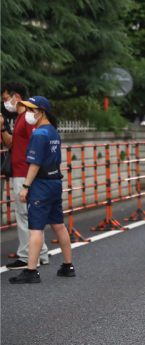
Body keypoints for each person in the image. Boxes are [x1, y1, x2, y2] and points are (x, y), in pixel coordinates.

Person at [9, 96, 75, 283]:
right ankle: (67, 265)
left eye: (31, 110)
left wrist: (26, 187)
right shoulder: (53, 131)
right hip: (55, 182)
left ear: (41, 111)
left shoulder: (39, 133)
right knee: (59, 225)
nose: (28, 113)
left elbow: (35, 164)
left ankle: (31, 271)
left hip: (41, 185)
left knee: (35, 229)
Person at [1, 82, 51, 270]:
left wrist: (31, 178)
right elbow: (13, 144)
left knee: (24, 215)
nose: (5, 103)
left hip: (25, 172)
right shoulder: (21, 118)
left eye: (6, 99)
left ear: (17, 97)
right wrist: (3, 128)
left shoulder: (28, 118)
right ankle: (41, 253)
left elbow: (37, 143)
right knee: (31, 215)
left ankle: (26, 256)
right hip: (24, 171)